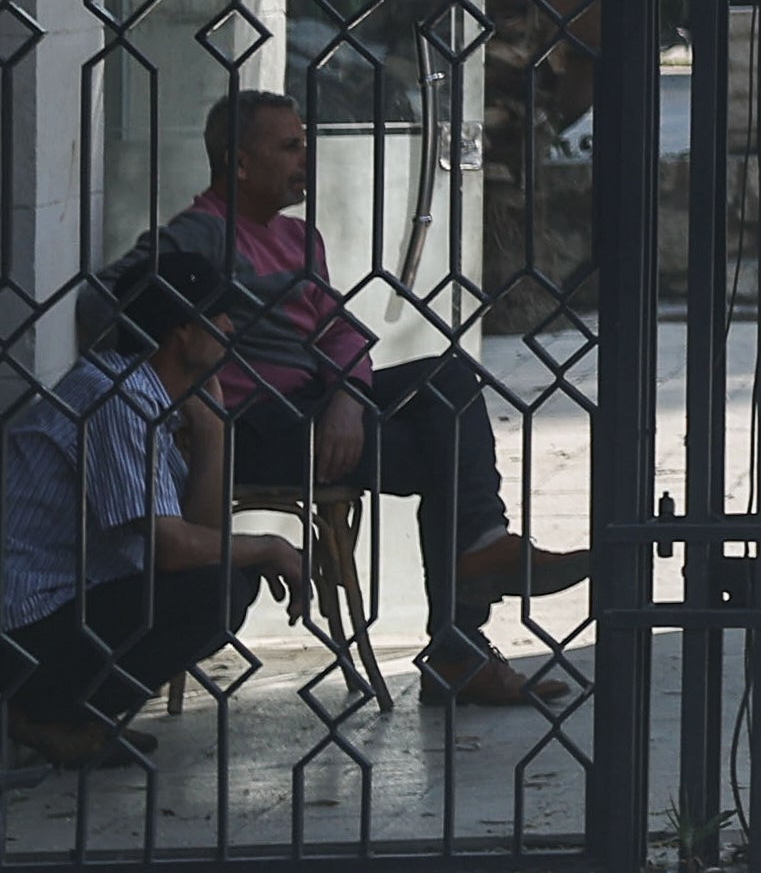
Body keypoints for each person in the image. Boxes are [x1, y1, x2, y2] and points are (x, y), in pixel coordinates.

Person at [161, 89, 586, 709]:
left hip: (312, 403)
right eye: (289, 147)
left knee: (448, 378)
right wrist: (195, 388)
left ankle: (476, 563)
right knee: (447, 458)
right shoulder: (197, 236)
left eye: (305, 143)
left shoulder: (298, 238)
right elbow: (115, 302)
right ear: (239, 162)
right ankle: (458, 640)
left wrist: (347, 397)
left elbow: (339, 331)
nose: (305, 158)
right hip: (254, 427)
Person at [2, 236, 306, 768]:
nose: (231, 330)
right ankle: (48, 712)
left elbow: (199, 533)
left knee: (225, 579)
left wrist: (214, 435)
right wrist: (270, 544)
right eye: (218, 318)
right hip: (27, 627)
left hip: (72, 603)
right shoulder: (117, 401)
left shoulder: (153, 398)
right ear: (181, 331)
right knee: (215, 590)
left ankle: (75, 713)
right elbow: (174, 551)